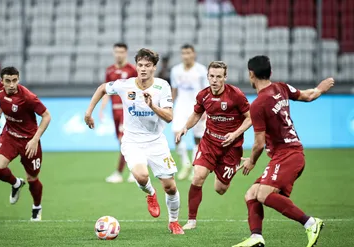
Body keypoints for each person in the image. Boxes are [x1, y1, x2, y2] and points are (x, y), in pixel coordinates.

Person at [231, 55, 334, 247]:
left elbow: (259, 144)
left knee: (262, 194)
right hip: (289, 154)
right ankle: (256, 236)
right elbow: (308, 96)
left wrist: (251, 161)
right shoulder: (281, 87)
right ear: (270, 72)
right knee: (252, 194)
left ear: (250, 74)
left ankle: (310, 223)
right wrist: (321, 88)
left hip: (287, 155)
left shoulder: (258, 104)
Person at [85, 48, 184, 234]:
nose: (143, 69)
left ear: (154, 67)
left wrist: (152, 105)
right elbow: (102, 88)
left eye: (148, 65)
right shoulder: (125, 85)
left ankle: (173, 222)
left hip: (156, 141)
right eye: (140, 65)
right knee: (141, 175)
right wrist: (89, 112)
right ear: (136, 66)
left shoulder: (162, 86)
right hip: (132, 141)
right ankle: (151, 194)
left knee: (170, 187)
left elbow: (169, 117)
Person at [176, 61, 252, 230]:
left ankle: (236, 163)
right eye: (212, 76)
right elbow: (196, 114)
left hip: (231, 147)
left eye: (219, 76)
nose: (215, 80)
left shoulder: (236, 95)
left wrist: (235, 134)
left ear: (225, 77)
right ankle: (191, 220)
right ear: (207, 76)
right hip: (209, 143)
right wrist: (185, 128)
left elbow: (250, 117)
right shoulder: (203, 95)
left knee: (220, 189)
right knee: (198, 177)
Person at [0, 66, 51, 221]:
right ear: (1, 81)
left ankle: (37, 207)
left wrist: (35, 139)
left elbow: (46, 116)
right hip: (9, 136)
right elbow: (2, 101)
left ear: (18, 79)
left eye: (15, 80)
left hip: (29, 141)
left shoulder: (28, 97)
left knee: (32, 178)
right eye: (8, 81)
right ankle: (16, 183)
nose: (11, 84)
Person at [99, 43, 138, 183]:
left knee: (124, 140)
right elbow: (106, 91)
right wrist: (102, 109)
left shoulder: (132, 70)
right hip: (114, 110)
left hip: (127, 111)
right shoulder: (110, 71)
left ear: (126, 53)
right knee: (122, 142)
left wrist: (131, 106)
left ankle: (122, 172)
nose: (119, 54)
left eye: (121, 52)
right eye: (116, 52)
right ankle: (132, 171)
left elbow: (136, 90)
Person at [171, 44, 209, 180]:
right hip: (181, 106)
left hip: (197, 108)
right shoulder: (176, 70)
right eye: (183, 53)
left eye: (188, 53)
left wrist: (206, 109)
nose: (186, 56)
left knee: (197, 139)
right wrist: (169, 106)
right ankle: (185, 164)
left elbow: (207, 91)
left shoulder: (201, 70)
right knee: (176, 135)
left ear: (194, 54)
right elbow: (174, 90)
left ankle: (194, 167)